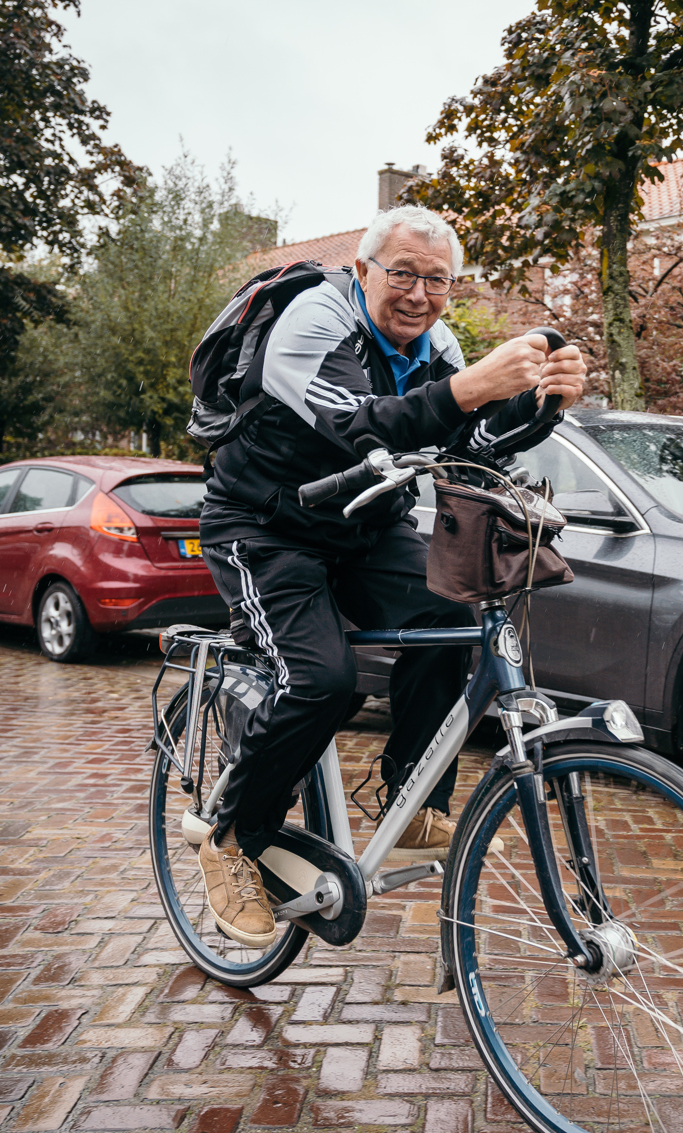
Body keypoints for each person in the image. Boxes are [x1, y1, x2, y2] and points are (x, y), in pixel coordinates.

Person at [196, 204, 587, 948]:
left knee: (455, 608)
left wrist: (539, 408)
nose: (419, 293)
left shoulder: (436, 341)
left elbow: (467, 443)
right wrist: (473, 386)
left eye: (437, 280)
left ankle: (410, 799)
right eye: (402, 273)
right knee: (321, 680)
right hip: (265, 527)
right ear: (362, 271)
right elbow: (361, 424)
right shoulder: (312, 323)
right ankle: (232, 836)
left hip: (364, 526)